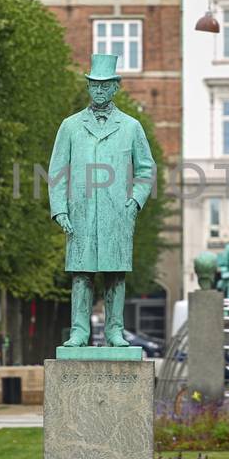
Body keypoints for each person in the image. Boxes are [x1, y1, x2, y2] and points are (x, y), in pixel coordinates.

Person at [48, 51, 156, 347]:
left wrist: (135, 201)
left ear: (115, 87)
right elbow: (57, 170)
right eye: (93, 84)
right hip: (81, 212)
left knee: (115, 274)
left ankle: (114, 331)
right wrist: (60, 209)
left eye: (104, 85)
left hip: (116, 212)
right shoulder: (70, 126)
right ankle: (79, 331)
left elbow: (146, 168)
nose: (98, 90)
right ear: (88, 87)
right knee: (81, 274)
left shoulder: (131, 127)